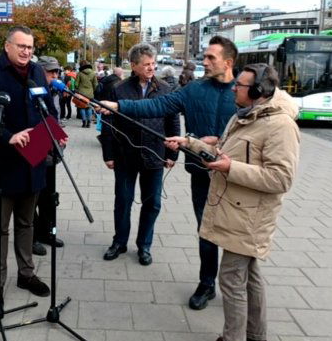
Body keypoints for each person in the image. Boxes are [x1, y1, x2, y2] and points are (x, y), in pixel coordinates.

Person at [166, 63, 300, 341]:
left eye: (239, 85)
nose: (233, 89)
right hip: (237, 210)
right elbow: (224, 153)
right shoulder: (243, 116)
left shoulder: (280, 125)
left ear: (257, 92)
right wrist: (190, 143)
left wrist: (229, 169)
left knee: (232, 281)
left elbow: (281, 178)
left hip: (250, 217)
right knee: (250, 276)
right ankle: (255, 339)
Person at [98, 35, 238, 310]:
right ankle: (207, 283)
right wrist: (118, 106)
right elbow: (157, 107)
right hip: (201, 172)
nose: (204, 62)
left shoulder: (243, 90)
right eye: (205, 57)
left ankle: (236, 289)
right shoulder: (194, 89)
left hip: (237, 177)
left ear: (228, 62)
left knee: (236, 235)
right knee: (205, 229)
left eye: (210, 58)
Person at [0, 25, 61, 309]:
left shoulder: (35, 72)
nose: (26, 52)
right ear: (7, 46)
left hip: (33, 160)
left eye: (30, 47)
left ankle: (27, 274)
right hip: (3, 162)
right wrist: (8, 136)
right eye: (21, 46)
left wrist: (56, 135)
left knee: (27, 223)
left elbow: (48, 108)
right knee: (0, 228)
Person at [99, 43, 180, 266]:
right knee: (123, 201)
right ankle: (119, 242)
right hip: (125, 154)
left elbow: (173, 120)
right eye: (146, 64)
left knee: (152, 203)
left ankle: (144, 246)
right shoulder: (119, 89)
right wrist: (108, 153)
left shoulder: (164, 88)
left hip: (155, 154)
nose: (151, 67)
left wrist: (174, 152)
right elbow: (107, 122)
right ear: (133, 65)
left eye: (153, 63)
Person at [32, 56, 66, 256]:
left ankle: (47, 232)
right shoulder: (33, 89)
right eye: (50, 72)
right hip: (35, 144)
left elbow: (54, 116)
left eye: (57, 72)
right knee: (34, 196)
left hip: (50, 146)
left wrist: (60, 136)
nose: (55, 75)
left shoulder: (54, 90)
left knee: (49, 196)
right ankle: (33, 237)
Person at [74, 61, 99, 127]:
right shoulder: (93, 73)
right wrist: (92, 90)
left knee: (82, 108)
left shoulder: (80, 73)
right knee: (89, 107)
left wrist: (77, 88)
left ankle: (84, 122)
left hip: (81, 93)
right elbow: (95, 84)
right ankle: (89, 122)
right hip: (90, 93)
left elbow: (76, 84)